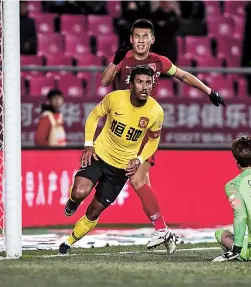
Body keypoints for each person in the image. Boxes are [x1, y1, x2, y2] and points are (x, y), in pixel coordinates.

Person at [100, 19, 225, 251]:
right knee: (143, 183)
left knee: (137, 180)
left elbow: (184, 76)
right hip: (120, 130)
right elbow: (104, 81)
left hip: (144, 130)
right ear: (131, 39)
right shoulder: (123, 59)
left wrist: (209, 91)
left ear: (152, 39)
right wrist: (114, 62)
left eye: (145, 36)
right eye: (136, 36)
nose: (140, 41)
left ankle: (161, 231)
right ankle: (164, 232)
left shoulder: (159, 62)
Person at [59, 65, 172, 255]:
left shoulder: (156, 111)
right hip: (99, 155)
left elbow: (153, 141)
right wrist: (88, 143)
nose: (145, 87)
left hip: (121, 169)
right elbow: (94, 116)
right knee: (79, 192)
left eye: (148, 83)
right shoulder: (115, 98)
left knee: (94, 211)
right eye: (140, 82)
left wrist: (139, 159)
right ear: (131, 84)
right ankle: (72, 201)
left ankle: (69, 242)